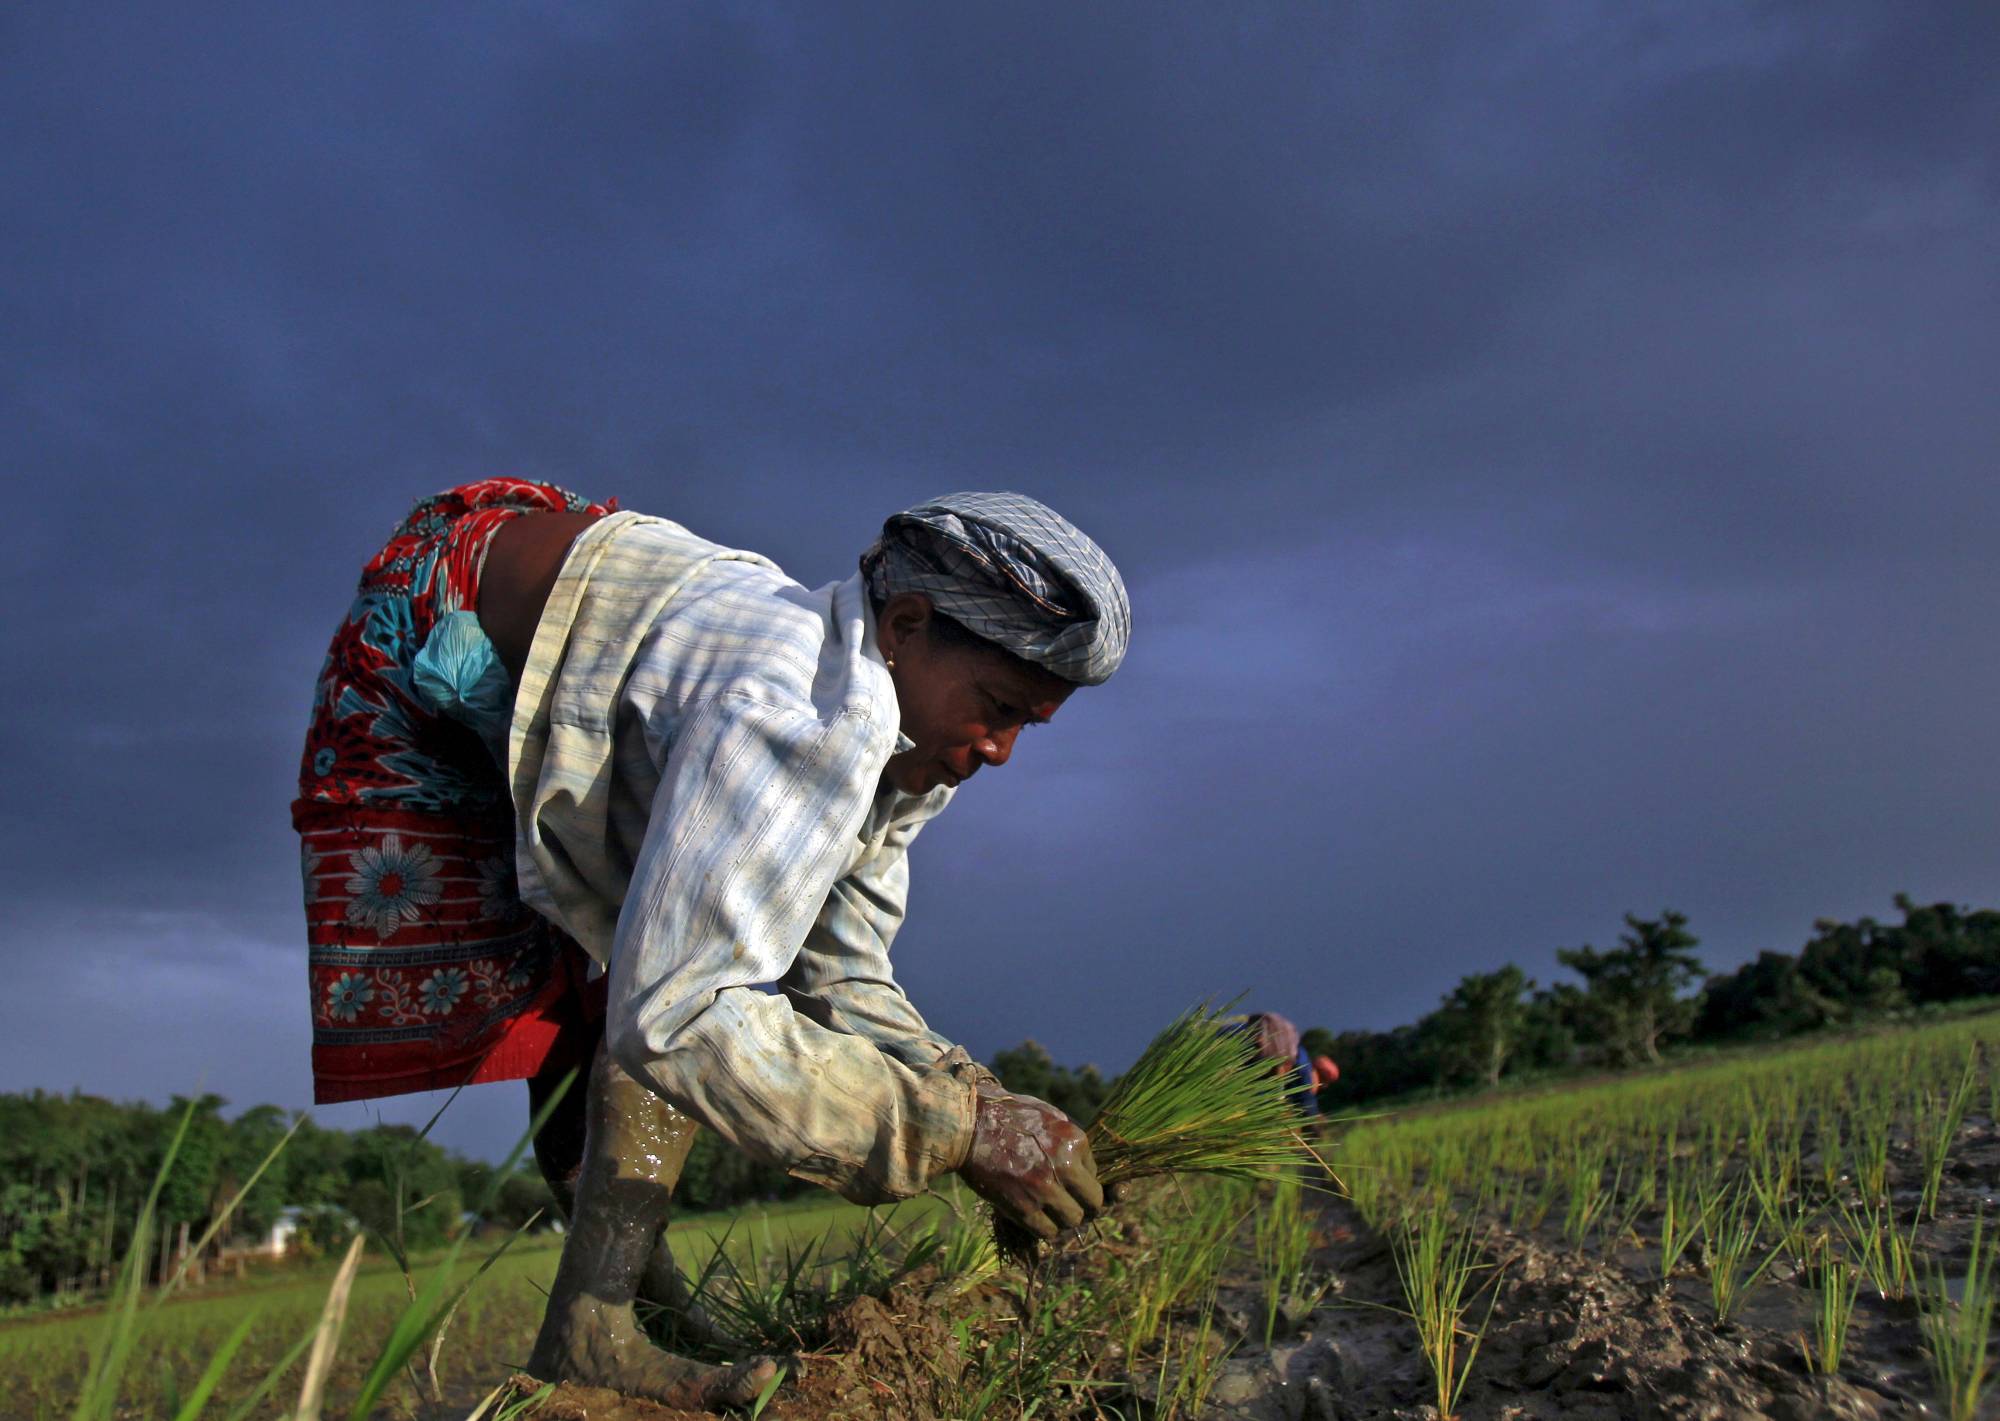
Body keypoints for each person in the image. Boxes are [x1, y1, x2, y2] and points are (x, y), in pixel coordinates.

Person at [292, 480, 1130, 1407]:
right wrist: (955, 1134)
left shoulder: (910, 738)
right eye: (1001, 707)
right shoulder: (793, 712)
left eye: (1028, 724)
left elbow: (840, 957)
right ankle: (598, 1327)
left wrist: (968, 1088)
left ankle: (624, 1317)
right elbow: (678, 1012)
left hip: (582, 604)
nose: (1004, 749)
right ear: (903, 625)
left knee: (668, 958)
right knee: (653, 985)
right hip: (446, 625)